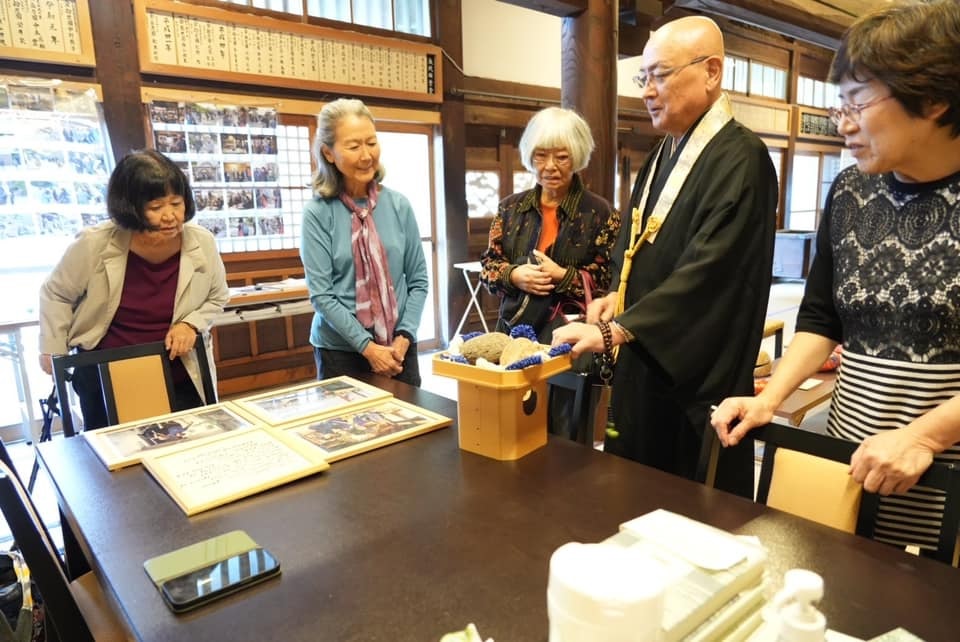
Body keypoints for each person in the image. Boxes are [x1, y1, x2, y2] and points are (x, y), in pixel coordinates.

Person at [713, 0, 960, 548]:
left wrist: (921, 437)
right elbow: (822, 318)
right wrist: (769, 399)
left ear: (937, 98)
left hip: (946, 476)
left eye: (858, 100)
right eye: (838, 101)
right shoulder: (850, 191)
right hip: (849, 461)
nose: (839, 120)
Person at [552, 16, 778, 497]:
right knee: (630, 498)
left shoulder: (744, 159)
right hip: (645, 356)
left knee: (685, 514)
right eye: (643, 78)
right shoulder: (662, 153)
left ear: (711, 72)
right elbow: (633, 245)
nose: (647, 91)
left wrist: (612, 331)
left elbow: (711, 274)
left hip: (695, 374)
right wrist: (617, 294)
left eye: (659, 75)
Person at [38, 149, 229, 430]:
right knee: (116, 460)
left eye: (176, 203)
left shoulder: (201, 241)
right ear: (130, 207)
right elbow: (57, 294)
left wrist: (190, 324)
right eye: (155, 207)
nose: (170, 216)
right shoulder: (95, 244)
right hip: (107, 374)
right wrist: (52, 349)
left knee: (187, 448)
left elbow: (218, 295)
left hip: (177, 371)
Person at [479, 106, 620, 437]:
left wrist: (564, 276)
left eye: (562, 157)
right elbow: (488, 266)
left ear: (578, 156)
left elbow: (610, 281)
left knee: (564, 433)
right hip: (514, 333)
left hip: (569, 340)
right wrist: (514, 275)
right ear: (530, 156)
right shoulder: (511, 208)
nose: (550, 167)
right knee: (511, 426)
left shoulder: (601, 213)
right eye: (541, 156)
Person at [301, 98, 428, 386]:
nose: (366, 155)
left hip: (399, 347)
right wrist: (369, 349)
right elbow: (322, 295)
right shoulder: (318, 213)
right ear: (328, 153)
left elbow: (418, 280)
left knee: (412, 426)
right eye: (354, 146)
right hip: (340, 349)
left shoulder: (398, 205)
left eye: (371, 142)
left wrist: (404, 336)